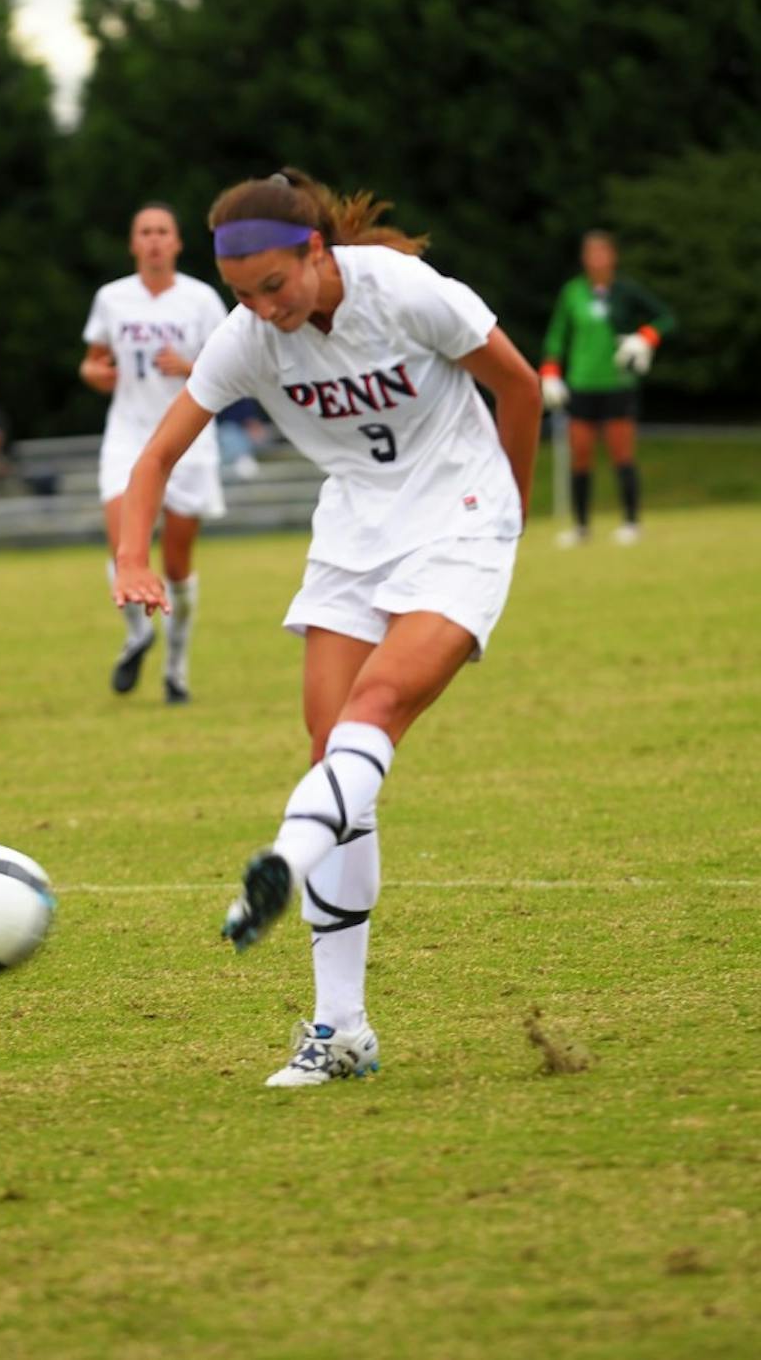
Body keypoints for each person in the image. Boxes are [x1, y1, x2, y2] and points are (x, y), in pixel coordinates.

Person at [113, 169, 542, 1087]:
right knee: (331, 756)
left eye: (275, 286)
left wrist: (509, 513)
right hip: (354, 531)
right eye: (243, 295)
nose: (264, 310)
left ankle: (283, 860)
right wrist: (129, 559)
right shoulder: (249, 338)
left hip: (462, 515)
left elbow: (519, 387)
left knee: (371, 711)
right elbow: (154, 459)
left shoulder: (406, 293)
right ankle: (341, 1031)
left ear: (315, 251)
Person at [80, 202, 227, 704]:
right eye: (145, 232)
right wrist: (97, 374)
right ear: (133, 243)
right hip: (128, 436)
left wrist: (189, 367)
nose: (155, 240)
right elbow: (92, 363)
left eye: (163, 231)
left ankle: (176, 669)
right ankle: (138, 634)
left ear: (178, 242)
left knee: (178, 564)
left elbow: (231, 366)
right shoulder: (112, 298)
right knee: (123, 546)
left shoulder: (201, 299)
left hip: (188, 440)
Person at [540, 231, 676, 547]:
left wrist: (646, 337)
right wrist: (550, 371)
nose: (597, 259)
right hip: (581, 384)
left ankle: (631, 522)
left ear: (613, 257)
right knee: (580, 455)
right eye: (591, 253)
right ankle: (581, 527)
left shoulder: (625, 291)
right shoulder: (573, 292)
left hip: (617, 383)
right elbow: (557, 334)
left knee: (622, 454)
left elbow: (666, 318)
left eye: (602, 253)